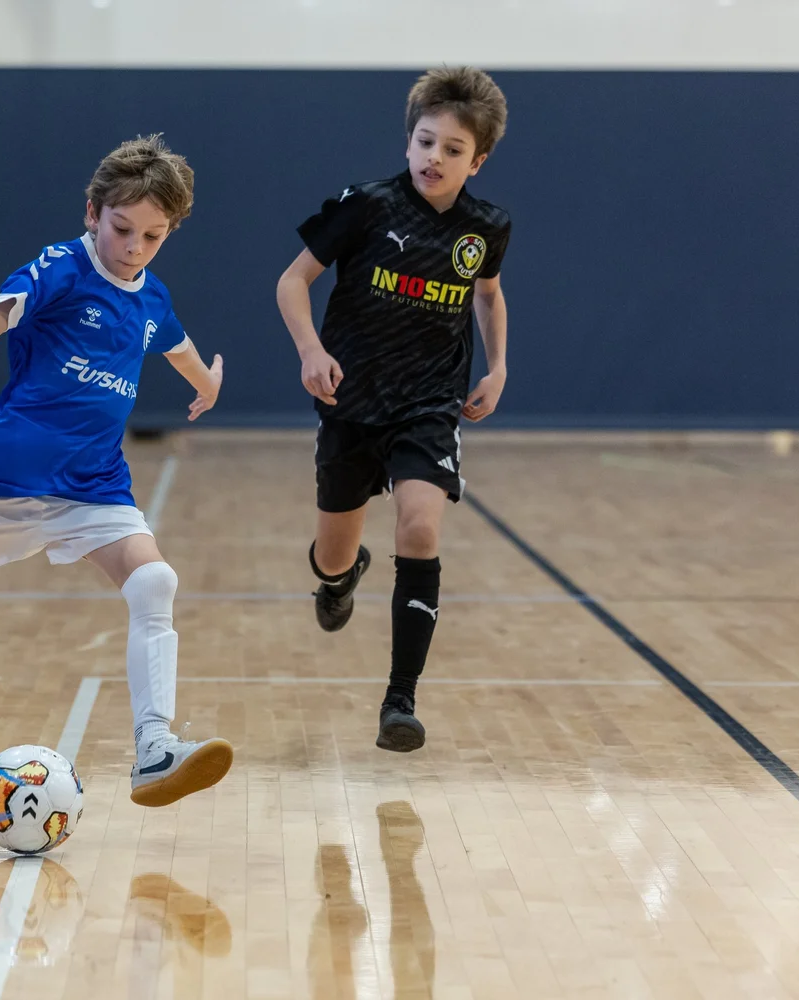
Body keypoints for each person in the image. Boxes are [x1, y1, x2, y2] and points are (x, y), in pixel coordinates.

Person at [0, 135, 233, 808]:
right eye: (122, 228)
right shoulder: (60, 269)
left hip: (94, 485)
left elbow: (178, 349)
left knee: (155, 580)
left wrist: (207, 385)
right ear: (93, 212)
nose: (133, 247)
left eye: (152, 237)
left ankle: (155, 749)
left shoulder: (150, 298)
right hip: (5, 481)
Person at [275, 67, 512, 753]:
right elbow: (292, 281)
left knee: (419, 528)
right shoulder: (367, 206)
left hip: (428, 406)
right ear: (408, 141)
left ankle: (400, 699)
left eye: (453, 149)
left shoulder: (486, 228)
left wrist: (498, 368)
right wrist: (310, 350)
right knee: (331, 555)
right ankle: (340, 578)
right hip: (350, 403)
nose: (434, 158)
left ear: (479, 159)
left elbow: (488, 296)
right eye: (425, 142)